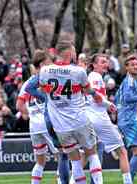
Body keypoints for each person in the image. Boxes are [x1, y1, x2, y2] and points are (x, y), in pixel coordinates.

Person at [38, 41, 104, 184]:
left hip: (61, 126)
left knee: (75, 161)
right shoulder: (79, 71)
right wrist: (97, 95)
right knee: (92, 154)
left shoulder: (44, 71)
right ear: (68, 53)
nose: (75, 54)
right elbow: (87, 90)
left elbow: (42, 90)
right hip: (79, 120)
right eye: (73, 51)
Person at [86, 53, 132, 184]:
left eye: (106, 61)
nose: (105, 64)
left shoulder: (94, 76)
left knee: (87, 154)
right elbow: (95, 95)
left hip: (89, 118)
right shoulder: (95, 77)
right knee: (122, 151)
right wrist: (109, 104)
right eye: (102, 62)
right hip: (98, 118)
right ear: (94, 65)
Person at [16, 50, 59, 184]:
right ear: (41, 64)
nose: (51, 63)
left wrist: (32, 114)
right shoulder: (46, 79)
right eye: (48, 61)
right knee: (62, 156)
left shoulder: (27, 83)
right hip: (47, 123)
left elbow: (19, 105)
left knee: (40, 162)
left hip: (34, 126)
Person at [115, 54, 137, 184]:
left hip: (129, 119)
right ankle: (129, 181)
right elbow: (128, 98)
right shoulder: (129, 81)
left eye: (136, 64)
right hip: (128, 121)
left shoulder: (131, 81)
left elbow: (120, 100)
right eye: (132, 65)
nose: (135, 66)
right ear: (127, 67)